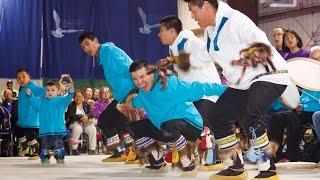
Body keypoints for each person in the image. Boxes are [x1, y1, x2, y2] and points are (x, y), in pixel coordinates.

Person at [184, 0, 291, 179]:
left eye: (193, 11)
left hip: (270, 74)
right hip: (244, 83)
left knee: (250, 115)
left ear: (206, 6)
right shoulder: (210, 32)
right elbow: (202, 56)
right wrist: (173, 65)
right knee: (217, 115)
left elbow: (261, 44)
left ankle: (268, 166)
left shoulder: (235, 20)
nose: (192, 17)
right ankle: (235, 165)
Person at [125, 60, 225, 175]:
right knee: (133, 127)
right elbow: (133, 102)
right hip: (166, 128)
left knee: (168, 126)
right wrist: (124, 104)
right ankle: (157, 163)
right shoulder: (142, 94)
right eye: (135, 79)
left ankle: (188, 164)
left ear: (151, 73)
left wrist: (227, 91)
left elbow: (199, 87)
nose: (139, 82)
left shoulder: (169, 84)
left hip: (191, 125)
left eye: (142, 76)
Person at [158, 15, 223, 169]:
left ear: (172, 31)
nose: (158, 34)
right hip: (192, 94)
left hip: (207, 92)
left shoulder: (188, 41)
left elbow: (207, 55)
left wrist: (175, 60)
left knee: (201, 126)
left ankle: (213, 159)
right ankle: (190, 158)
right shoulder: (173, 47)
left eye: (161, 30)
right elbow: (184, 72)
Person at [79, 32, 135, 162]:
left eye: (87, 44)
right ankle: (124, 152)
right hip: (122, 94)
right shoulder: (103, 56)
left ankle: (131, 152)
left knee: (108, 120)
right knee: (116, 121)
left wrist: (137, 88)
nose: (86, 49)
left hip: (130, 92)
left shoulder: (109, 51)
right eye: (83, 47)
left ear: (96, 40)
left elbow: (129, 67)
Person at [26, 75, 74, 164]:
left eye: (53, 90)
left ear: (58, 91)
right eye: (47, 90)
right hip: (45, 130)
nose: (50, 92)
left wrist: (71, 91)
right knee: (45, 146)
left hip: (58, 130)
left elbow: (68, 97)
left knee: (58, 146)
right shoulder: (41, 101)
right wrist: (30, 95)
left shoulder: (61, 100)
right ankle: (45, 158)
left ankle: (59, 158)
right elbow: (34, 103)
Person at [15, 68, 46, 160]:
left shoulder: (32, 86)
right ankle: (25, 146)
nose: (21, 79)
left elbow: (43, 90)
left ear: (29, 77)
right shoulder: (22, 88)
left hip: (31, 118)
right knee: (18, 131)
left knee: (30, 134)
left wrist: (56, 89)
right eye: (19, 78)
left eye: (24, 77)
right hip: (22, 119)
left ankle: (36, 152)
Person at [65, 91, 97, 155]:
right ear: (73, 97)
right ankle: (74, 149)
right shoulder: (71, 105)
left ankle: (92, 149)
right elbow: (70, 116)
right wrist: (81, 117)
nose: (78, 98)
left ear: (82, 97)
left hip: (86, 123)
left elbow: (91, 113)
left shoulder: (86, 104)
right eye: (76, 96)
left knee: (92, 128)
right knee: (77, 128)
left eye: (80, 96)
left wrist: (87, 116)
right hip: (74, 123)